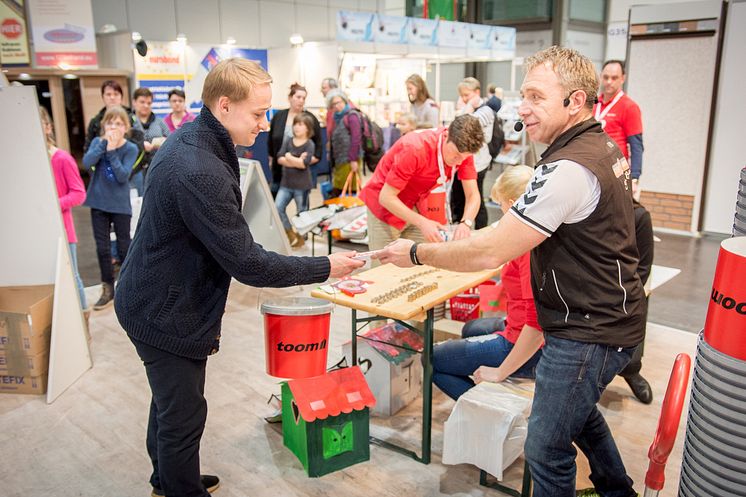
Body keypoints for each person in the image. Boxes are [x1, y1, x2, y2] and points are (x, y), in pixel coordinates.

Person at [376, 46, 644, 497]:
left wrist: (419, 254)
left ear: (574, 101)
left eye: (537, 96)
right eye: (523, 95)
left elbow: (490, 252)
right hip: (598, 318)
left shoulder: (570, 167)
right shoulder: (598, 145)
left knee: (546, 448)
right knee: (578, 415)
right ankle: (617, 489)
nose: (523, 107)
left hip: (587, 327)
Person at [114, 58, 363, 497]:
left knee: (170, 403)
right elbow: (250, 264)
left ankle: (168, 479)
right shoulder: (197, 167)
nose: (266, 125)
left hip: (155, 297)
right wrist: (326, 266)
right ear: (224, 106)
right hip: (162, 310)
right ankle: (179, 488)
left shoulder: (197, 141)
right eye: (258, 113)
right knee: (183, 414)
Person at [432, 165, 543, 400]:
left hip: (525, 344)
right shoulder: (537, 231)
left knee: (431, 358)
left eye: (502, 205)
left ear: (513, 203)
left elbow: (536, 327)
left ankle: (487, 409)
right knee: (472, 328)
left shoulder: (527, 250)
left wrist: (500, 372)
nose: (501, 212)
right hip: (520, 328)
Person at [358, 114, 484, 251]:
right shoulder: (415, 148)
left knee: (423, 258)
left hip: (416, 202)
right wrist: (423, 223)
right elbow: (386, 197)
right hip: (385, 206)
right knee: (386, 264)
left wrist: (466, 223)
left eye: (464, 157)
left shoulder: (464, 152)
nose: (459, 161)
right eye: (456, 155)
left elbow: (473, 195)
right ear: (447, 135)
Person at [82, 106, 139, 310]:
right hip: (98, 202)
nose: (113, 127)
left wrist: (113, 152)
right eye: (109, 122)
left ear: (126, 127)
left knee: (125, 247)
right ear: (103, 125)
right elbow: (87, 162)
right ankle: (108, 288)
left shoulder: (130, 148)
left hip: (120, 204)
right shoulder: (98, 142)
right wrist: (104, 146)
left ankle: (127, 287)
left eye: (118, 123)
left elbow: (123, 176)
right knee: (102, 248)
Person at [40, 107, 88, 313]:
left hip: (63, 232)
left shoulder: (61, 158)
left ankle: (83, 321)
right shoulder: (31, 161)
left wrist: (51, 205)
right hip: (39, 231)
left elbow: (79, 194)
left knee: (72, 276)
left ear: (48, 127)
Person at [618, 199, 654, 404]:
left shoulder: (638, 216)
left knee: (629, 355)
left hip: (627, 290)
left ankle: (632, 371)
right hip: (592, 291)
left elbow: (643, 270)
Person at [595, 59, 644, 200]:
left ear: (623, 78)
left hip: (616, 172)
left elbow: (636, 146)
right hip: (593, 169)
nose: (609, 81)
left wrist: (634, 178)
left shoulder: (629, 106)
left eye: (614, 78)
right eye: (605, 77)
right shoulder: (594, 104)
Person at [452, 77, 494, 229]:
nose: (464, 98)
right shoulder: (468, 109)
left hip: (478, 164)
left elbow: (463, 126)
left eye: (467, 95)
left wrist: (467, 106)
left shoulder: (486, 111)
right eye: (462, 95)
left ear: (477, 92)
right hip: (463, 162)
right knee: (459, 198)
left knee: (476, 199)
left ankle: (481, 230)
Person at [267, 83, 322, 196]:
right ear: (290, 98)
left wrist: (301, 163)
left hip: (303, 172)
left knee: (302, 207)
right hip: (280, 169)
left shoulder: (311, 119)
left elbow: (318, 145)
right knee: (276, 204)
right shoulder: (279, 117)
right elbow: (271, 141)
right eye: (298, 97)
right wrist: (273, 159)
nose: (301, 100)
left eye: (304, 98)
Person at [274, 112, 316, 248]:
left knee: (301, 212)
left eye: (300, 124)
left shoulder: (310, 144)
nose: (296, 127)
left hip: (302, 186)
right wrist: (297, 160)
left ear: (307, 128)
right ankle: (290, 233)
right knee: (277, 208)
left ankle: (301, 237)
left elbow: (304, 164)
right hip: (285, 184)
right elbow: (279, 158)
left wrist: (289, 157)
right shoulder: (288, 140)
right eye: (295, 124)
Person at [84, 80, 142, 153]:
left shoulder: (132, 118)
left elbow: (140, 144)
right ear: (103, 97)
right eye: (108, 94)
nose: (112, 97)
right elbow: (88, 147)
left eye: (116, 94)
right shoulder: (95, 121)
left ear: (121, 97)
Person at [132, 87, 170, 193]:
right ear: (134, 102)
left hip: (157, 169)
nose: (146, 106)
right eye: (142, 102)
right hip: (134, 170)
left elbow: (171, 141)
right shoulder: (128, 122)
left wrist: (162, 142)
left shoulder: (160, 122)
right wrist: (140, 146)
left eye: (149, 103)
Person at [327, 89, 363, 196]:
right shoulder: (338, 118)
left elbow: (356, 138)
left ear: (345, 101)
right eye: (333, 104)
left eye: (339, 102)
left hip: (350, 160)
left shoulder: (352, 116)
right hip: (340, 161)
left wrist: (353, 160)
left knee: (349, 190)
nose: (337, 106)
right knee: (342, 189)